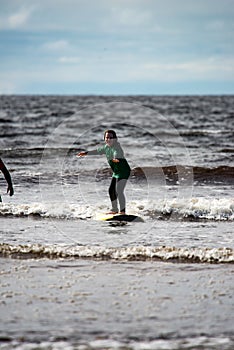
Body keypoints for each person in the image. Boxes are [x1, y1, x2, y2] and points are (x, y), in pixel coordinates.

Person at [78, 130, 131, 214]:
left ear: (115, 139)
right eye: (107, 137)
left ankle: (122, 211)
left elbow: (116, 152)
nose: (109, 139)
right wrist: (86, 153)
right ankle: (114, 209)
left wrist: (116, 158)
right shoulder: (106, 148)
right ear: (104, 139)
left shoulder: (117, 147)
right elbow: (97, 151)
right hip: (116, 172)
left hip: (124, 171)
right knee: (111, 190)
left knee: (119, 190)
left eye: (111, 137)